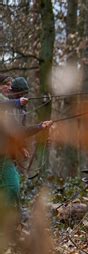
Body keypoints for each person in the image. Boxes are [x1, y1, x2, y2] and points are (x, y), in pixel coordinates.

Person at [0, 74, 53, 210]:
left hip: (6, 155)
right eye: (6, 84)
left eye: (24, 93)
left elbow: (19, 132)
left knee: (12, 187)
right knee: (11, 186)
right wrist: (39, 127)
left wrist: (22, 147)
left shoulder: (21, 110)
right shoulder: (5, 104)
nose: (8, 87)